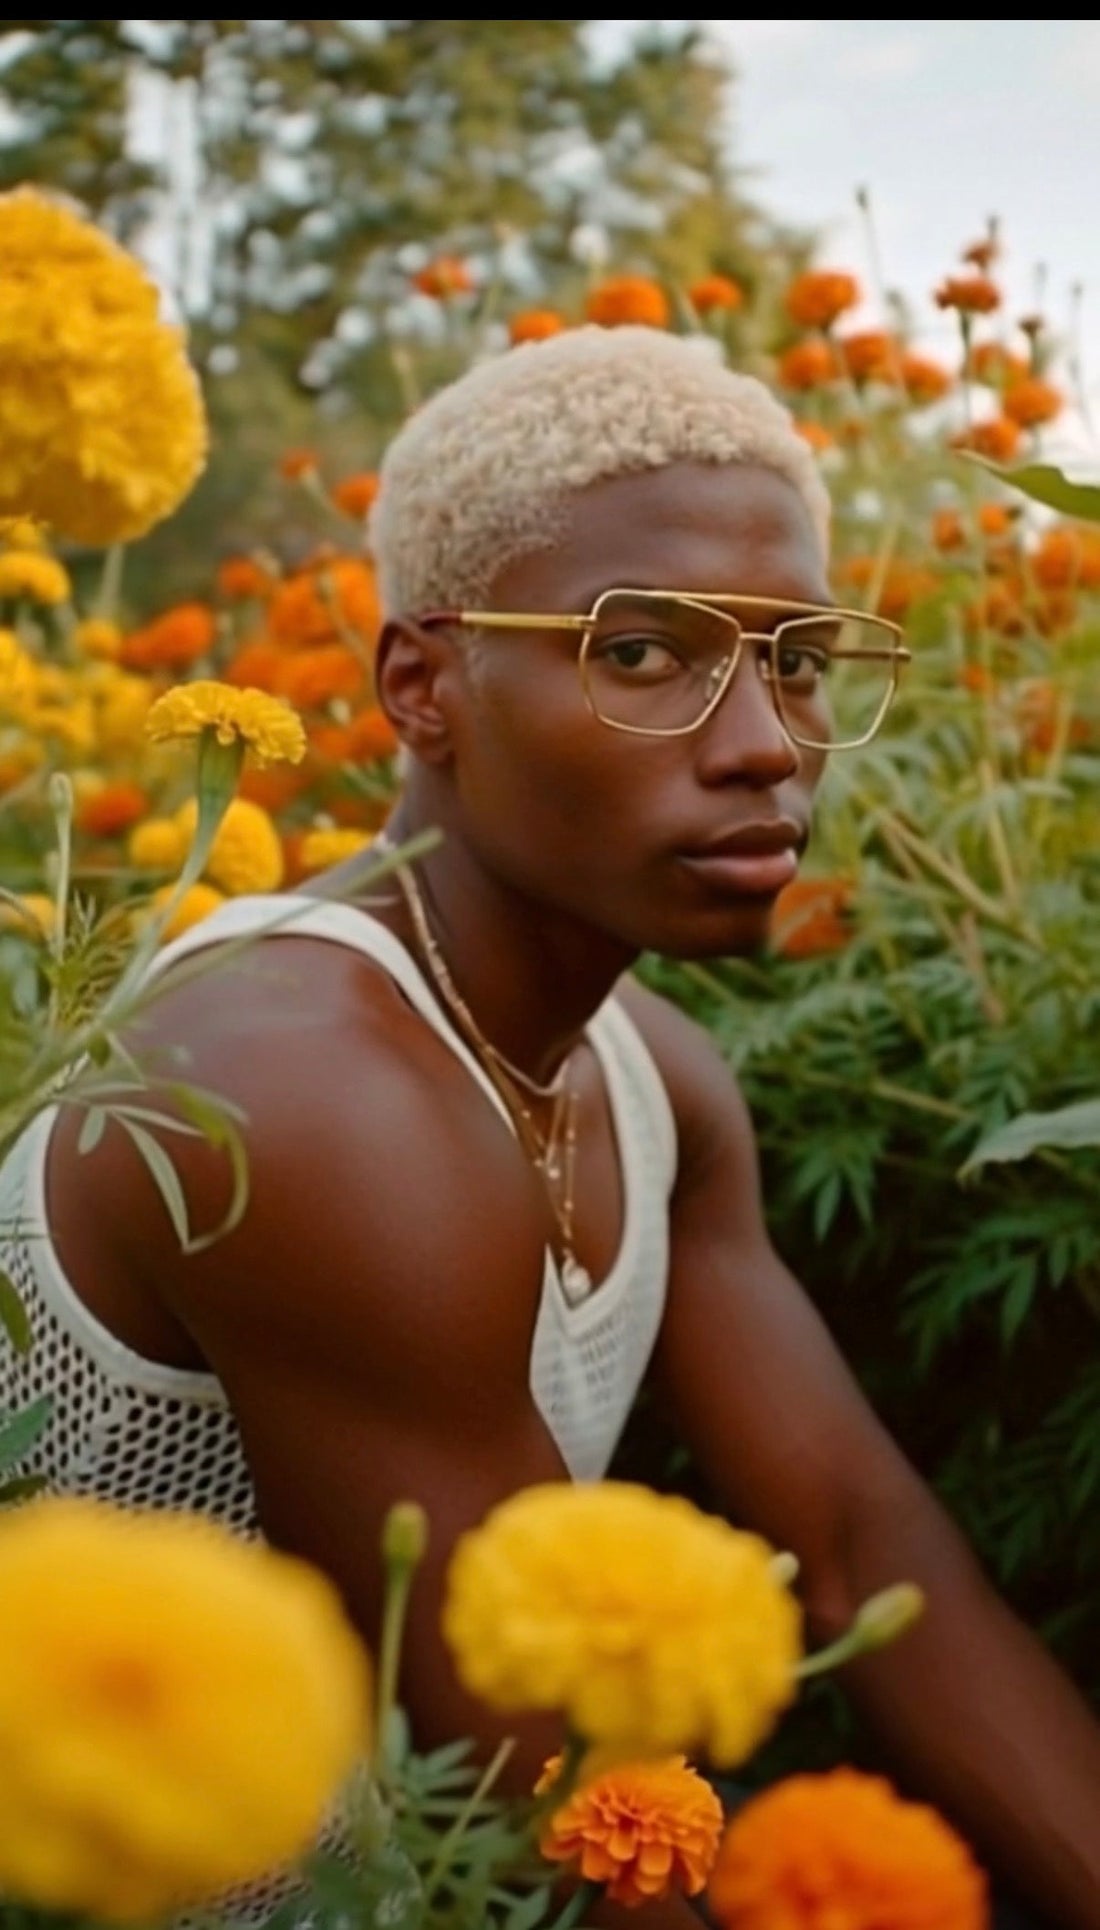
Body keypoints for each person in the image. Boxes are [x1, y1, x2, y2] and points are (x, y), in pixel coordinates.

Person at [3, 325, 1099, 1930]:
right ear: (423, 686)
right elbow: (564, 1820)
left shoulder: (650, 1073)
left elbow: (868, 1556)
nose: (764, 743)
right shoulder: (308, 1095)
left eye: (795, 657)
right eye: (645, 652)